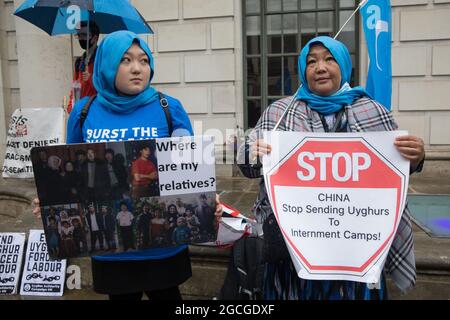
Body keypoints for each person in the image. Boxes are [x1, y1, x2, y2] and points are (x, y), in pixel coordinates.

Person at [238, 36, 425, 300]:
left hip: (357, 246)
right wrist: (250, 153)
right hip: (293, 251)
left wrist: (416, 158)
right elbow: (246, 164)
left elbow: (396, 170)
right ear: (303, 70)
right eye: (311, 61)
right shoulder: (280, 112)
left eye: (329, 59)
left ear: (344, 65)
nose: (320, 67)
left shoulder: (372, 111)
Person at [61, 30, 222, 300]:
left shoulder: (169, 107)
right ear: (108, 63)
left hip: (163, 246)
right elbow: (71, 173)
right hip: (114, 246)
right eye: (125, 60)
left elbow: (190, 169)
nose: (137, 68)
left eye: (144, 60)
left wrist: (205, 194)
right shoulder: (83, 111)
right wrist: (52, 199)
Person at [68, 21, 100, 113]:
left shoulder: (101, 59)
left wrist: (91, 79)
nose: (81, 38)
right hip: (81, 110)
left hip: (96, 109)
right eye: (79, 35)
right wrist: (71, 106)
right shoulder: (79, 61)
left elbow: (106, 88)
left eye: (84, 35)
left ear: (95, 38)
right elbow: (75, 84)